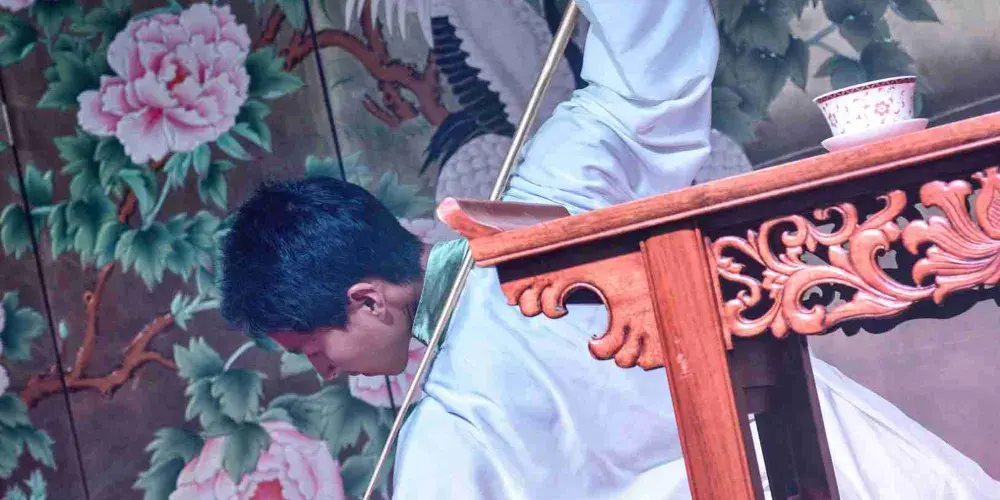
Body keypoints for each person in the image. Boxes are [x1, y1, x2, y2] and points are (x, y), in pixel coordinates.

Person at [220, 0, 1000, 498]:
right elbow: (647, 79)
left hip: (823, 465)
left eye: (312, 348)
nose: (323, 370)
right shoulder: (558, 186)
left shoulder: (448, 436)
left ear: (366, 299)